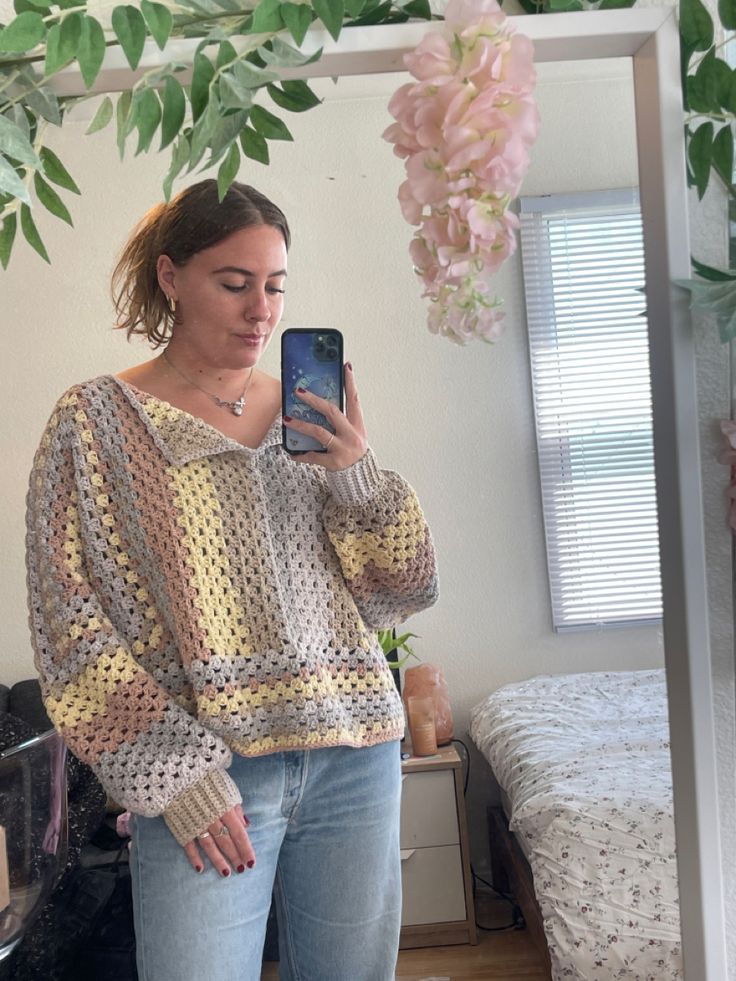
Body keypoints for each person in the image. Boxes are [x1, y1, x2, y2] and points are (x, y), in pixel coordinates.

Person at [25, 179, 439, 981]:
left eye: (276, 285)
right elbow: (68, 624)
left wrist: (356, 472)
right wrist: (173, 773)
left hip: (353, 751)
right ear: (172, 276)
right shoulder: (93, 422)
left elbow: (401, 592)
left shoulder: (312, 416)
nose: (262, 310)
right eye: (235, 282)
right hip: (206, 771)